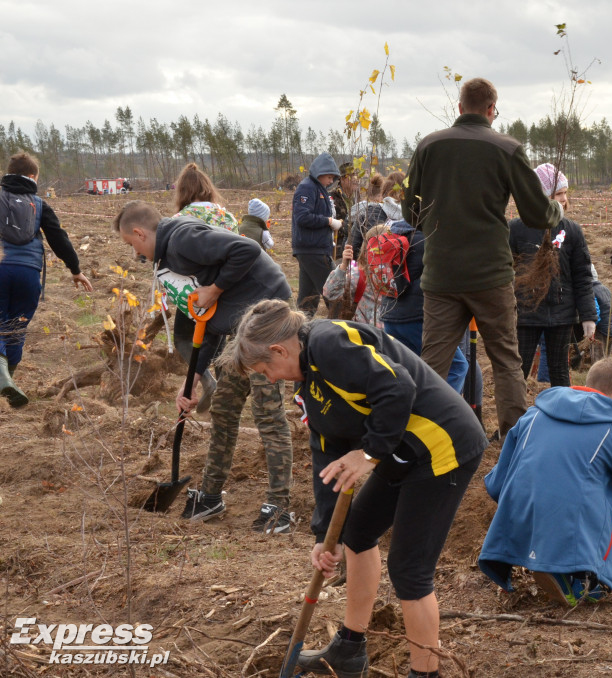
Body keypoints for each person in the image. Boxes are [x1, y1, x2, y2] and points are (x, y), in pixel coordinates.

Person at [219, 299, 487, 677]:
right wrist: (326, 535)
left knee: (409, 569)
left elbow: (398, 387)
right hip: (403, 449)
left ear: (279, 349)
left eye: (266, 368)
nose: (271, 378)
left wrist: (369, 453)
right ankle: (349, 649)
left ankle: (425, 673)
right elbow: (326, 455)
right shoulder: (308, 382)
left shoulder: (329, 343)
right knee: (357, 534)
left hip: (443, 445)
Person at [113, 201, 295, 533]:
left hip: (268, 320)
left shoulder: (181, 239)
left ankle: (279, 507)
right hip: (237, 328)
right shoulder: (170, 260)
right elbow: (207, 321)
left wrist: (214, 289)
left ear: (139, 233)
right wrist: (192, 381)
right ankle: (211, 496)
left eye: (132, 244)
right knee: (224, 410)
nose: (135, 254)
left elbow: (246, 250)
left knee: (268, 415)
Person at [403, 77, 562, 436]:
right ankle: (514, 443)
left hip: (441, 276)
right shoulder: (507, 148)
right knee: (506, 359)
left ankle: (418, 439)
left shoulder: (428, 146)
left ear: (459, 108)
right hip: (490, 275)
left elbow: (411, 213)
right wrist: (556, 212)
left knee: (432, 364)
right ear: (492, 110)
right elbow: (537, 214)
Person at [478, 358, 612, 606]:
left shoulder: (532, 415)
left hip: (517, 528)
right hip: (570, 533)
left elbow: (496, 484)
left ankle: (535, 552)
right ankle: (578, 578)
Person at [0, 151, 93, 407]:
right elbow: (58, 237)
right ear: (32, 177)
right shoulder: (40, 204)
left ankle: (2, 378)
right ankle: (8, 382)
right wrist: (75, 269)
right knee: (16, 328)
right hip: (28, 273)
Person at [510, 163, 596, 387]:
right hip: (527, 314)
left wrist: (588, 315)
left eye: (566, 193)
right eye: (559, 193)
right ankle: (514, 420)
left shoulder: (572, 231)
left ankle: (561, 416)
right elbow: (503, 271)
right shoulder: (517, 229)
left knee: (559, 370)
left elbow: (582, 276)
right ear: (543, 195)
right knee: (519, 370)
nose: (565, 199)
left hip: (562, 314)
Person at [171, 162, 239, 412]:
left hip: (194, 292)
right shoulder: (227, 217)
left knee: (182, 338)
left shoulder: (179, 219)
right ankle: (223, 394)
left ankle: (206, 381)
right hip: (225, 288)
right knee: (216, 340)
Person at [376, 219, 470, 392]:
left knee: (409, 371)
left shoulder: (394, 232)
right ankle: (439, 414)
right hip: (417, 318)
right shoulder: (428, 238)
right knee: (457, 367)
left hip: (390, 315)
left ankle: (414, 412)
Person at [293, 153, 344, 316]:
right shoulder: (307, 188)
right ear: (319, 172)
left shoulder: (318, 189)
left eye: (333, 178)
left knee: (308, 299)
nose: (331, 181)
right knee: (334, 294)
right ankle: (342, 329)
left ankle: (300, 333)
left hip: (313, 249)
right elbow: (302, 217)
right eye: (329, 177)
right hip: (314, 250)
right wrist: (328, 221)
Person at [590, 264, 612, 362]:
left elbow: (595, 310)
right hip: (611, 328)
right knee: (606, 359)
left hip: (600, 330)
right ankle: (607, 376)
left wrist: (593, 326)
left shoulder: (590, 291)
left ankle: (597, 377)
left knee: (598, 360)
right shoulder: (605, 289)